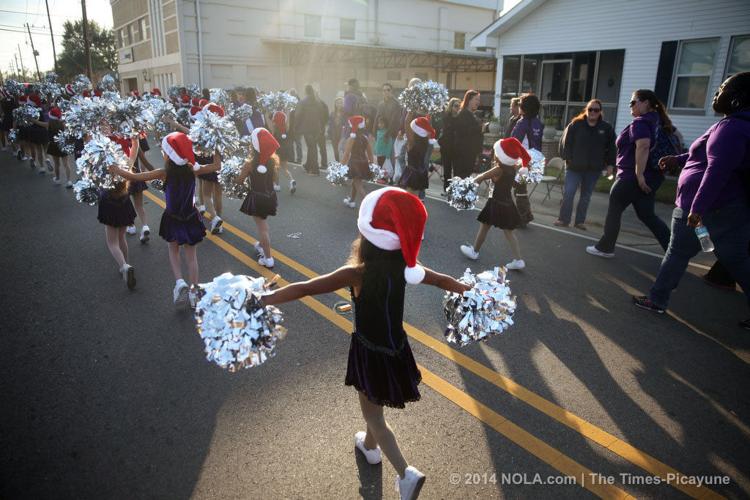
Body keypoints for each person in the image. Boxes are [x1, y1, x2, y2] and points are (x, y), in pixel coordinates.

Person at [262, 187, 469, 500]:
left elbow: (305, 288)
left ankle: (406, 473)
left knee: (374, 416)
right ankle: (369, 447)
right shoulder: (406, 267)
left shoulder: (357, 272)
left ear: (367, 235)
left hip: (370, 352)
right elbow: (441, 280)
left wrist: (263, 298)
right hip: (397, 349)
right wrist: (471, 291)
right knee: (376, 402)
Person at [632, 72, 750, 331]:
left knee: (680, 253)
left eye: (723, 89)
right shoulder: (734, 124)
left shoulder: (732, 128)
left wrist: (697, 210)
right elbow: (704, 155)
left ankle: (657, 299)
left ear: (739, 98)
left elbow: (717, 170)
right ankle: (657, 297)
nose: (717, 93)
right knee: (735, 259)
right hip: (723, 208)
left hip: (708, 209)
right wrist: (679, 159)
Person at [110, 132, 220, 306]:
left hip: (173, 217)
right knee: (192, 257)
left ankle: (179, 282)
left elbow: (136, 177)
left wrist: (117, 170)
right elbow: (216, 165)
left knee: (173, 250)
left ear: (169, 154)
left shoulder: (164, 173)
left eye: (164, 150)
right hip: (191, 216)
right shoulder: (193, 169)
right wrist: (216, 144)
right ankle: (194, 292)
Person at [586, 89, 673, 258]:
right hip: (651, 178)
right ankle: (674, 250)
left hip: (631, 178)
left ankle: (605, 248)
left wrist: (639, 175)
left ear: (645, 103)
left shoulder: (640, 122)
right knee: (647, 216)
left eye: (633, 102)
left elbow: (643, 146)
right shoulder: (659, 122)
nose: (630, 106)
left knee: (614, 210)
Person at [460, 138, 528, 270]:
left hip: (495, 203)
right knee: (509, 232)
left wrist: (466, 185)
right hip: (508, 203)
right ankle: (519, 260)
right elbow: (514, 183)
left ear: (500, 154)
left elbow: (480, 177)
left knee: (484, 227)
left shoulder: (499, 169)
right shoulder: (513, 168)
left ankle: (474, 251)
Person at [555, 99, 616, 229]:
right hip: (574, 168)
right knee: (569, 193)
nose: (593, 112)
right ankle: (563, 219)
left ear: (600, 112)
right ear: (586, 110)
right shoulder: (576, 124)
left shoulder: (606, 128)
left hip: (593, 170)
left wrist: (611, 164)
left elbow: (612, 148)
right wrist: (568, 159)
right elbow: (565, 143)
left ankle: (579, 222)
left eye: (596, 110)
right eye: (590, 109)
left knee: (585, 197)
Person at [96, 135, 140, 290]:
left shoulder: (103, 167)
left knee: (112, 242)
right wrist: (134, 139)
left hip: (108, 203)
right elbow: (134, 149)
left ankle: (124, 266)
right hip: (124, 201)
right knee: (122, 237)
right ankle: (126, 262)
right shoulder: (125, 166)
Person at [236, 127, 280, 269]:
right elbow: (273, 179)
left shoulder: (249, 164)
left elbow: (239, 180)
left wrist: (236, 174)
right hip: (270, 196)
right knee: (264, 224)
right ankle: (261, 245)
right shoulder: (273, 161)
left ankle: (268, 258)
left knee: (262, 228)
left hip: (257, 198)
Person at [510, 93, 544, 226]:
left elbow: (514, 142)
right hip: (535, 159)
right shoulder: (538, 123)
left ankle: (522, 217)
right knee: (521, 189)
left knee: (519, 190)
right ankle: (526, 215)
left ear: (523, 107)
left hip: (522, 161)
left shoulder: (522, 122)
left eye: (520, 105)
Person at [32, 106, 74, 187]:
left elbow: (38, 123)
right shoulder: (63, 124)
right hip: (63, 145)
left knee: (56, 164)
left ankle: (58, 179)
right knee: (66, 164)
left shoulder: (49, 124)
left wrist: (32, 120)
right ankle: (69, 181)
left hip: (53, 146)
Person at [342, 115, 375, 209]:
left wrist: (341, 166)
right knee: (355, 182)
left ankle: (370, 207)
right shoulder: (365, 138)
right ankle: (351, 201)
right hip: (363, 162)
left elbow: (346, 154)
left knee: (358, 185)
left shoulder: (351, 139)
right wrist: (371, 164)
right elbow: (370, 153)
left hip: (355, 163)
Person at [399, 117, 435, 196]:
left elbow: (406, 123)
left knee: (409, 198)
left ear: (415, 131)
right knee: (415, 197)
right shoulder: (426, 142)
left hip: (412, 172)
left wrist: (409, 110)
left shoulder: (411, 143)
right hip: (421, 172)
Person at [451, 90, 483, 179]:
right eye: (476, 99)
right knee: (461, 179)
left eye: (479, 100)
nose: (478, 102)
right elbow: (463, 131)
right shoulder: (463, 114)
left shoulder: (472, 115)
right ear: (469, 100)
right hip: (463, 154)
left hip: (470, 153)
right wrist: (480, 128)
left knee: (465, 178)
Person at [295, 85, 324, 175]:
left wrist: (296, 126)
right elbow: (323, 114)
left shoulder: (303, 102)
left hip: (306, 127)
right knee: (312, 146)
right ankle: (308, 165)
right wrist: (322, 127)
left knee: (312, 147)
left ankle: (315, 169)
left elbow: (297, 115)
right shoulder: (318, 102)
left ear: (305, 91)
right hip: (317, 128)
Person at [374, 82, 403, 173]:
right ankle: (383, 175)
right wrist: (374, 131)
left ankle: (392, 177)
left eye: (388, 90)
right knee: (381, 155)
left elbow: (395, 121)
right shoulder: (381, 104)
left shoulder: (396, 104)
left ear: (391, 91)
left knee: (390, 156)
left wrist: (388, 133)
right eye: (384, 90)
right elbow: (377, 117)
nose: (386, 92)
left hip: (391, 134)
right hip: (381, 134)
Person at [437, 97, 461, 193]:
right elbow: (445, 130)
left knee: (457, 170)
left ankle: (455, 189)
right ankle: (447, 189)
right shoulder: (446, 117)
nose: (458, 108)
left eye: (459, 106)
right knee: (447, 169)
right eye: (456, 106)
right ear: (451, 106)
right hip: (447, 147)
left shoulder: (461, 118)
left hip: (457, 148)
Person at [271, 110, 297, 194]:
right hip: (286, 150)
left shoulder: (274, 129)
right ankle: (291, 180)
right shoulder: (287, 127)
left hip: (277, 151)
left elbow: (269, 121)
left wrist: (266, 111)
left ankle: (277, 185)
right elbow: (287, 119)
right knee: (285, 168)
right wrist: (287, 111)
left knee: (276, 169)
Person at [374, 115, 393, 182]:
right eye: (379, 123)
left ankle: (384, 178)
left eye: (382, 123)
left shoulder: (387, 133)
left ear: (385, 124)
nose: (380, 125)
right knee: (379, 165)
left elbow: (389, 144)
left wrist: (388, 154)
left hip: (384, 153)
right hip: (378, 153)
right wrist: (375, 150)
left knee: (383, 166)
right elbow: (377, 142)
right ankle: (381, 177)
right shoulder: (378, 132)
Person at [328, 97, 345, 162]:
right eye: (337, 103)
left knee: (342, 150)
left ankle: (343, 164)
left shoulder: (345, 113)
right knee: (335, 151)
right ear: (335, 104)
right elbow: (330, 125)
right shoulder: (332, 113)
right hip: (334, 135)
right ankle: (338, 162)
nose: (339, 104)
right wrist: (329, 135)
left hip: (342, 135)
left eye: (341, 103)